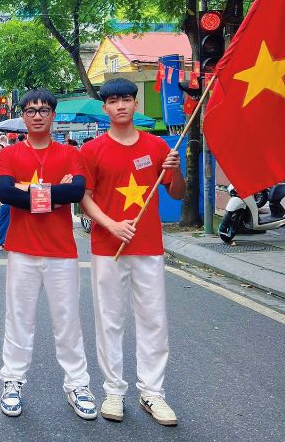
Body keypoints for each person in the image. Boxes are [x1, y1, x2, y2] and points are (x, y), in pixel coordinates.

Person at [80, 78, 184, 427]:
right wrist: (111, 225)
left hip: (149, 245)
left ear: (135, 104)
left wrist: (175, 169)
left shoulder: (157, 147)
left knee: (154, 319)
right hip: (107, 247)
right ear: (105, 108)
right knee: (110, 318)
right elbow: (84, 200)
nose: (121, 106)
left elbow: (178, 193)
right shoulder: (92, 150)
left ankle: (153, 392)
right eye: (114, 101)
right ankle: (113, 389)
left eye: (127, 99)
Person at [0, 88, 95, 421]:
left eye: (43, 109)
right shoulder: (9, 155)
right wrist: (55, 194)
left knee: (68, 322)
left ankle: (78, 385)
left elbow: (77, 191)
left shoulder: (70, 154)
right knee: (18, 319)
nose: (37, 115)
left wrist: (31, 190)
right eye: (30, 110)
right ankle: (12, 382)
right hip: (22, 250)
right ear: (23, 116)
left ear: (53, 115)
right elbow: (6, 194)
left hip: (61, 251)